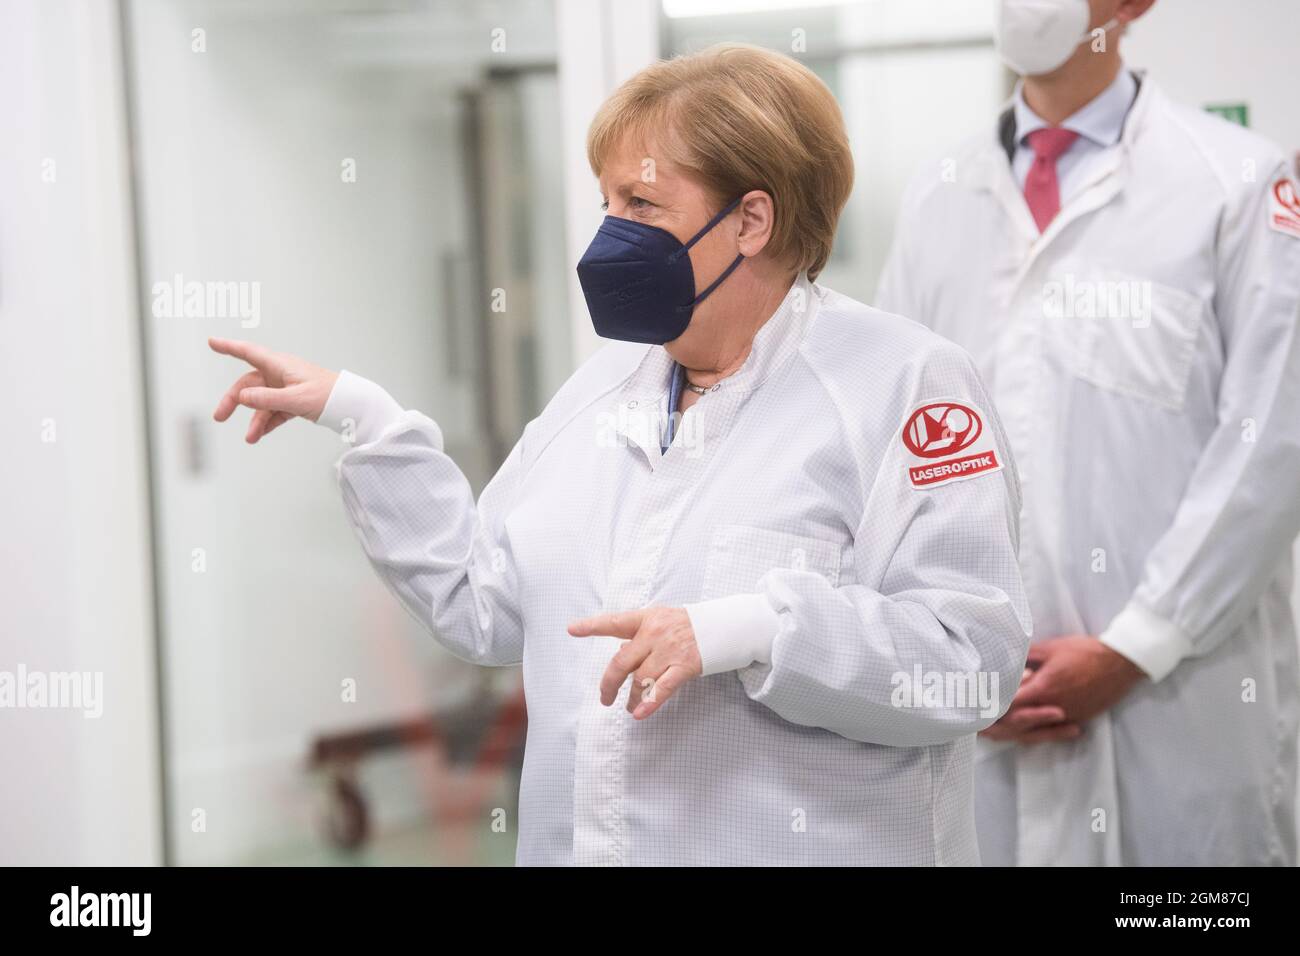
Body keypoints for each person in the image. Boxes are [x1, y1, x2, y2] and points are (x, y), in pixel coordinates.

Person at [211, 43, 1030, 866]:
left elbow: (970, 661)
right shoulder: (604, 390)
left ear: (752, 220)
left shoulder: (905, 384)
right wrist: (367, 419)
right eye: (607, 202)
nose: (609, 236)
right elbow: (484, 606)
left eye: (641, 202)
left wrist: (751, 629)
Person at [878, 0, 1300, 865]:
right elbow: (889, 446)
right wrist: (943, 663)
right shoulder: (938, 192)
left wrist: (1137, 646)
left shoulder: (1238, 183)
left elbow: (1272, 443)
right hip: (981, 718)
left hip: (1181, 704)